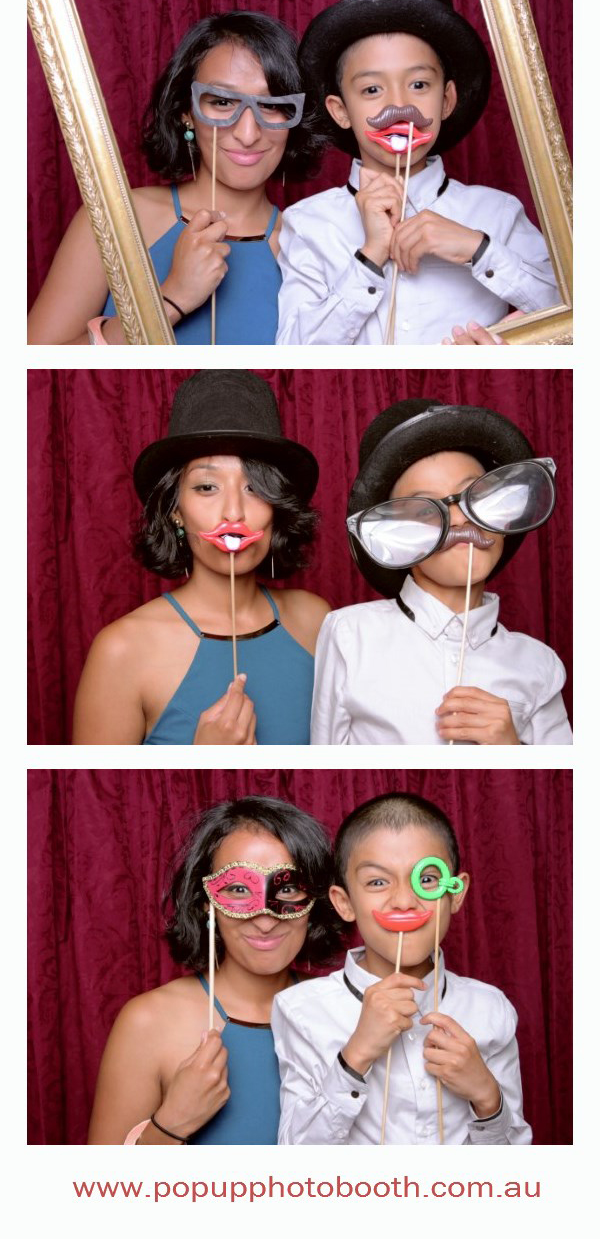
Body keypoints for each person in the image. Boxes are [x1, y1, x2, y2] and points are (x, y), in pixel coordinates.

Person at [276, 0, 560, 345]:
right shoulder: (308, 224)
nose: (398, 105)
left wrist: (477, 249)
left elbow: (572, 318)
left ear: (446, 101)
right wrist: (370, 257)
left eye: (419, 84)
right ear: (340, 110)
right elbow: (293, 354)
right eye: (372, 89)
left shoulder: (499, 213)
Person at [28, 10, 320, 345]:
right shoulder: (120, 218)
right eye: (222, 102)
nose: (248, 133)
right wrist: (172, 299)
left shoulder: (310, 246)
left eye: (271, 105)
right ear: (186, 112)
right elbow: (33, 370)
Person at [73, 371, 328, 745]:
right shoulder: (122, 649)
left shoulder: (316, 619)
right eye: (207, 487)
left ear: (277, 506)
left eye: (255, 487)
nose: (233, 512)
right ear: (176, 510)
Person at [272, 791, 532, 1145]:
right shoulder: (301, 1010)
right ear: (344, 903)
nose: (405, 901)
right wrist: (356, 1055)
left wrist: (487, 1096)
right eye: (378, 882)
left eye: (426, 879)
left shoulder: (491, 1008)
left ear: (456, 893)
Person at [310, 397, 572, 746]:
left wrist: (512, 749)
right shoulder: (350, 634)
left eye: (478, 496)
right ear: (394, 536)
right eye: (425, 511)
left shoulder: (539, 663)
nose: (461, 519)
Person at [88, 795, 343, 1144]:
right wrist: (171, 1123)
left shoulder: (342, 1009)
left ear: (314, 901)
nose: (265, 920)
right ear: (207, 902)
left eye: (286, 888)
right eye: (238, 889)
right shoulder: (148, 1022)